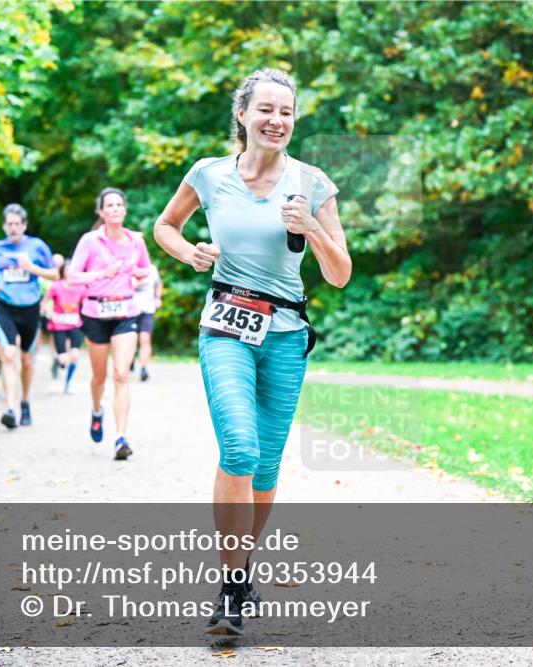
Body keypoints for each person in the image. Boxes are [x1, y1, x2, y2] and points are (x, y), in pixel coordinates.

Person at [153, 67, 350, 636]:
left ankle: (241, 573)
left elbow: (340, 275)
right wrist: (187, 251)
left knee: (264, 467)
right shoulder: (210, 174)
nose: (277, 121)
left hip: (287, 336)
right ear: (242, 115)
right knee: (239, 446)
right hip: (225, 326)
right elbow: (165, 226)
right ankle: (232, 585)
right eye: (265, 110)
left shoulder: (313, 182)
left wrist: (312, 228)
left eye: (286, 112)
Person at [68, 187, 151, 460]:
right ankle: (96, 410)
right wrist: (102, 273)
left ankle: (120, 437)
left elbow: (146, 269)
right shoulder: (90, 241)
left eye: (119, 204)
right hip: (95, 312)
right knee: (99, 377)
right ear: (102, 212)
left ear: (124, 210)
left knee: (121, 374)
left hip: (125, 310)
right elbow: (72, 276)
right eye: (110, 205)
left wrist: (138, 275)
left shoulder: (135, 241)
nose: (115, 209)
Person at [0, 203, 58, 429]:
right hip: (6, 307)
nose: (13, 228)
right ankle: (10, 409)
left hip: (30, 308)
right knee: (8, 355)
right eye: (9, 224)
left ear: (24, 225)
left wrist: (31, 268)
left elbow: (55, 274)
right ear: (4, 226)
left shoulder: (37, 246)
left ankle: (25, 401)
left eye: (17, 224)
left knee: (26, 361)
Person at [43, 260, 87, 393]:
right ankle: (58, 361)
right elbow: (44, 303)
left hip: (75, 324)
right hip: (59, 326)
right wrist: (51, 314)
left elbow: (86, 305)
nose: (69, 273)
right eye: (67, 270)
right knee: (63, 359)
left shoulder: (81, 287)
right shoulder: (56, 286)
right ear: (63, 271)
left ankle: (68, 384)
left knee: (74, 355)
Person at [131, 263, 163, 381]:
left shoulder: (152, 268)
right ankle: (131, 359)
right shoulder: (129, 266)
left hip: (147, 310)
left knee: (145, 339)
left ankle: (143, 368)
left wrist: (158, 298)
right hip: (131, 311)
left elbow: (158, 283)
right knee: (131, 341)